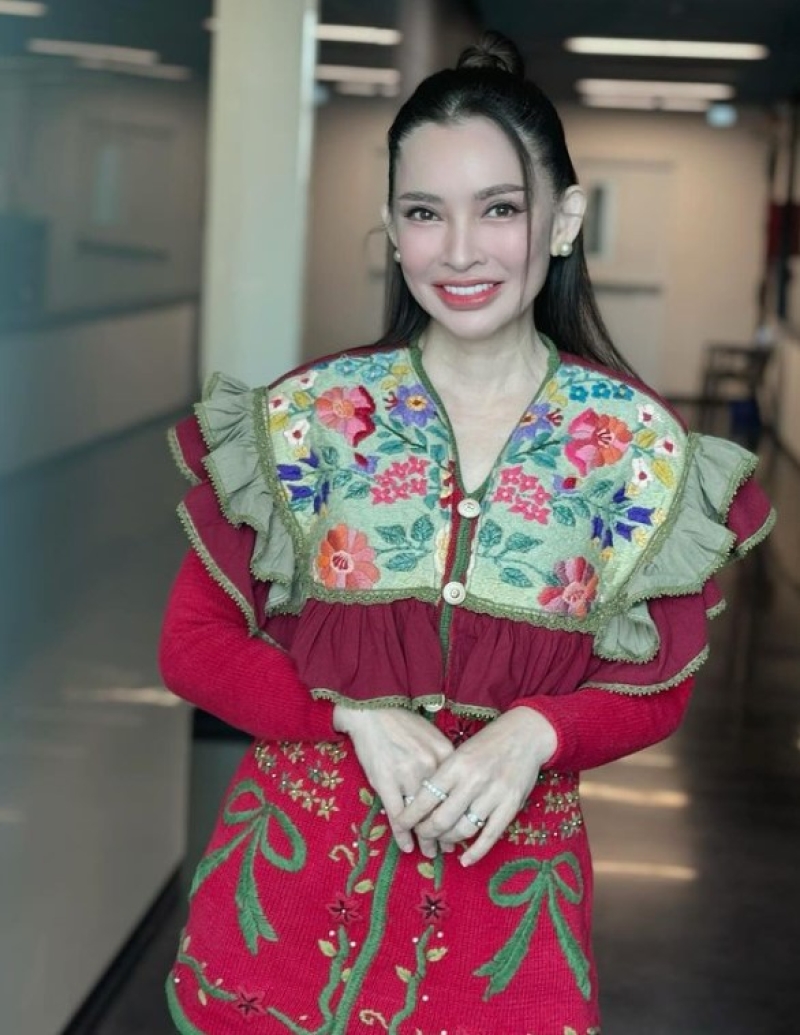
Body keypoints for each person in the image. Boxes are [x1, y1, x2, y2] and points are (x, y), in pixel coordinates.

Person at [159, 31, 774, 1035]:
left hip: (500, 944)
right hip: (278, 923)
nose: (457, 251)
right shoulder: (311, 418)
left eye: (498, 209)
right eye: (422, 212)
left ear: (563, 220)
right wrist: (348, 714)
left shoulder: (634, 449)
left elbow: (655, 685)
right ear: (392, 229)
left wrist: (538, 732)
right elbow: (192, 647)